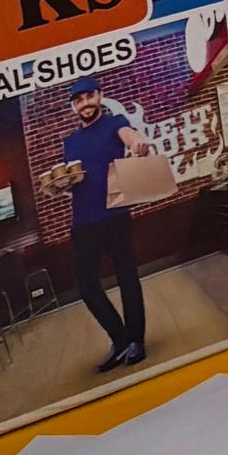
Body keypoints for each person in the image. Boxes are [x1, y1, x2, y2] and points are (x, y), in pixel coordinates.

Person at [54, 86, 159, 371]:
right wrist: (62, 186)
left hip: (115, 213)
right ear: (73, 106)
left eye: (89, 97)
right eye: (78, 100)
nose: (84, 103)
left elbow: (132, 137)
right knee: (86, 286)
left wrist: (138, 144)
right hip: (82, 221)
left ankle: (136, 340)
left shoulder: (115, 123)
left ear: (99, 96)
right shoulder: (70, 142)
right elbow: (75, 180)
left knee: (127, 278)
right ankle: (120, 339)